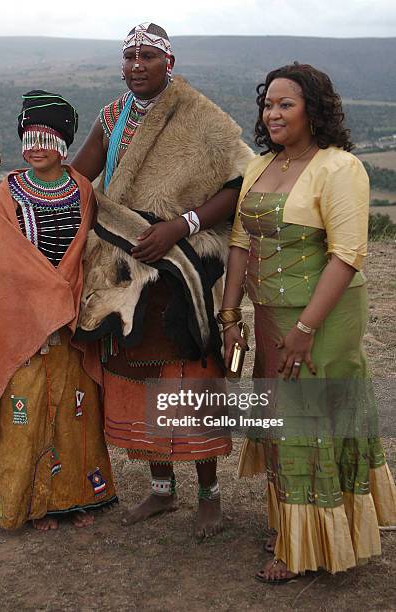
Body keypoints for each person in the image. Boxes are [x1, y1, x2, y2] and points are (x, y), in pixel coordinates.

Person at [71, 23, 253, 540]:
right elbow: (80, 179)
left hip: (183, 263)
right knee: (136, 377)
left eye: (147, 55)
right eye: (128, 55)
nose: (135, 64)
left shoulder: (201, 115)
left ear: (167, 63)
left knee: (187, 375)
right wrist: (23, 194)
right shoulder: (113, 116)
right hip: (126, 267)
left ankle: (209, 495)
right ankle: (161, 489)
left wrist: (180, 225)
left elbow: (240, 180)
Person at [221, 63, 396, 582]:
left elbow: (346, 256)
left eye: (286, 104)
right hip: (273, 314)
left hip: (324, 315)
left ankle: (312, 546)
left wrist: (306, 329)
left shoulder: (339, 168)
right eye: (268, 103)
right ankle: (297, 525)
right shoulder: (260, 165)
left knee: (307, 421)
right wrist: (231, 314)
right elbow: (238, 242)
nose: (272, 113)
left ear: (312, 111)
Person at [0, 91, 117, 531]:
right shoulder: (7, 191)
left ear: (63, 145)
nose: (35, 148)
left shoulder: (83, 189)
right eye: (28, 138)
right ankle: (30, 501)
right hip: (25, 323)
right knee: (26, 407)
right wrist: (41, 298)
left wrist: (68, 298)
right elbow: (0, 259)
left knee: (76, 408)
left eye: (45, 139)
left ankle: (73, 497)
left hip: (71, 320)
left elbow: (87, 252)